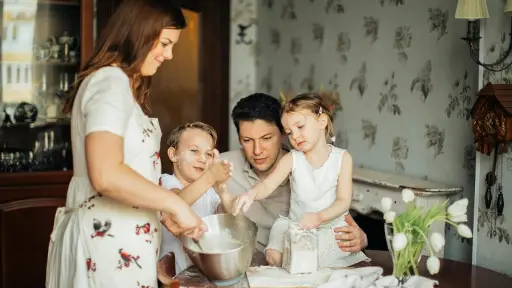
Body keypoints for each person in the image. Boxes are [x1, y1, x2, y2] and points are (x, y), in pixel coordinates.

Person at [45, 1, 210, 287]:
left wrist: (163, 212)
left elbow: (133, 173)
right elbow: (106, 174)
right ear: (140, 33)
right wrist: (174, 203)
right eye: (165, 43)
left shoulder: (125, 86)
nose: (169, 55)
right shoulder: (109, 82)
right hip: (106, 246)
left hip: (125, 243)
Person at [220, 93, 368, 256]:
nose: (257, 150)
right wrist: (248, 194)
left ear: (281, 135)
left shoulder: (333, 161)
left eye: (267, 138)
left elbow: (340, 207)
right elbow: (266, 186)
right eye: (247, 140)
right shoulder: (222, 166)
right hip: (254, 259)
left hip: (316, 236)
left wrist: (361, 238)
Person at [158, 122, 233, 275]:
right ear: (173, 155)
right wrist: (210, 176)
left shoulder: (209, 191)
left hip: (203, 274)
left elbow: (230, 219)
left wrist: (223, 192)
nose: (203, 159)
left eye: (209, 154)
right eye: (194, 151)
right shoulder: (165, 182)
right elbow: (176, 203)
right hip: (174, 276)